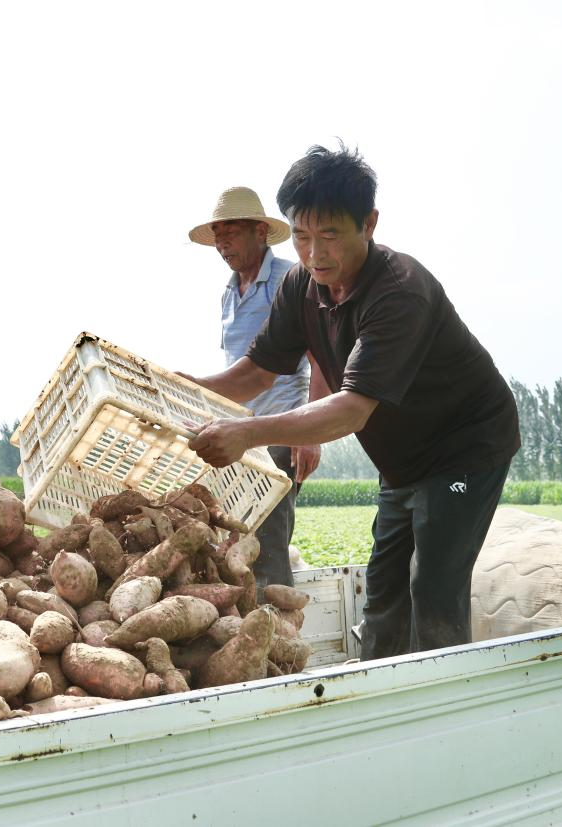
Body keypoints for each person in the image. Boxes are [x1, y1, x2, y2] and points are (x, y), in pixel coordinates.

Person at [184, 144, 520, 658]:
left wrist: (247, 433)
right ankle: (378, 701)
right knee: (384, 591)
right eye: (301, 236)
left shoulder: (399, 290)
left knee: (431, 586)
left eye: (330, 235)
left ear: (369, 223)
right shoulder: (301, 286)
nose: (314, 254)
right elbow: (256, 371)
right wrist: (179, 386)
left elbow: (350, 409)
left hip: (465, 452)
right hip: (402, 462)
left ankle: (444, 707)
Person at [186, 186, 320, 591]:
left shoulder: (289, 279)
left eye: (232, 230)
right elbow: (240, 371)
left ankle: (276, 641)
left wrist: (311, 433)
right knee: (238, 541)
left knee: (269, 546)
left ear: (261, 232)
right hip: (239, 435)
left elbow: (318, 355)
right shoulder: (228, 293)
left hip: (281, 430)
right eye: (217, 234)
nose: (222, 242)